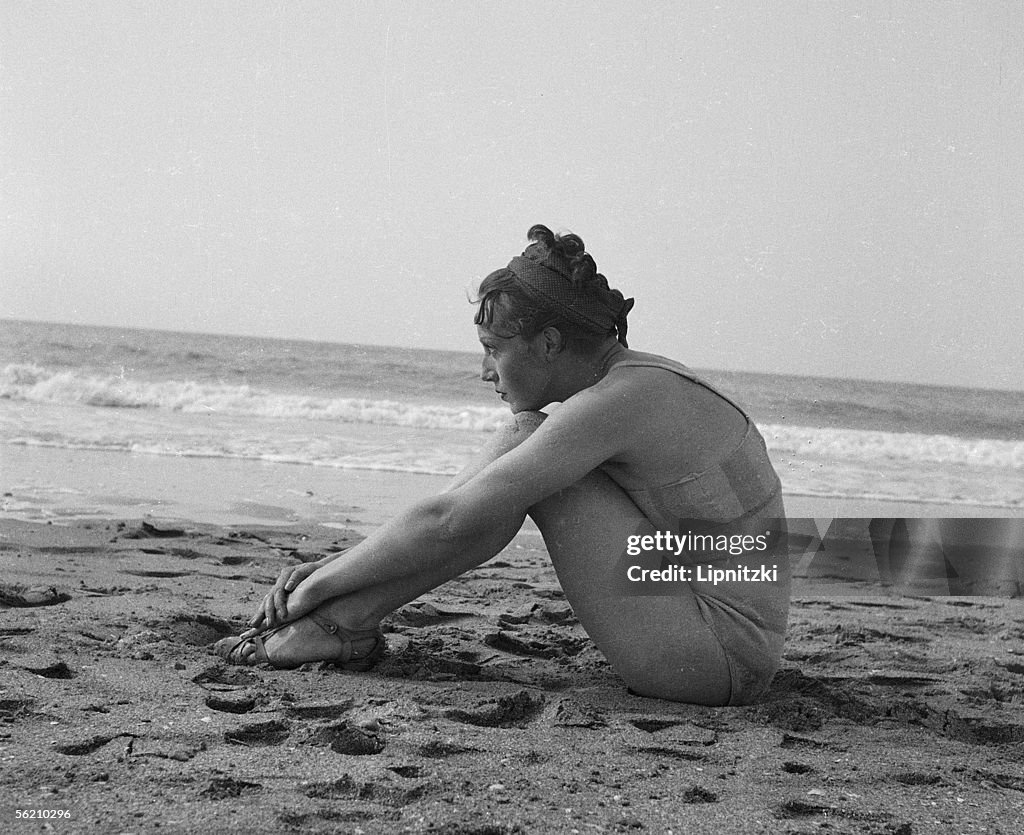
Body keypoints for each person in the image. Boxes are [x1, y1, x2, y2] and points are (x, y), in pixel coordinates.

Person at [216, 225, 790, 705]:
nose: (485, 372)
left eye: (494, 349)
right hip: (707, 627)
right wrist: (334, 569)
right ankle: (342, 625)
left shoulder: (621, 400)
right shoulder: (641, 381)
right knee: (522, 445)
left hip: (715, 657)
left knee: (521, 459)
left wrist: (316, 583)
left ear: (548, 343)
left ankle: (336, 624)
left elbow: (452, 520)